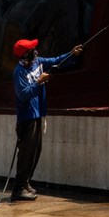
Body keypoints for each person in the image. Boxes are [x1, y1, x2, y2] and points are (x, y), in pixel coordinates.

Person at [10, 39, 82, 201]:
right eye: (32, 49)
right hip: (27, 118)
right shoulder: (19, 72)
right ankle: (18, 189)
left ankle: (26, 183)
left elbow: (56, 61)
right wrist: (39, 82)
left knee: (36, 152)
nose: (36, 51)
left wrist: (72, 53)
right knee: (26, 153)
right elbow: (23, 94)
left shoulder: (38, 63)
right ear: (25, 54)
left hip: (38, 114)